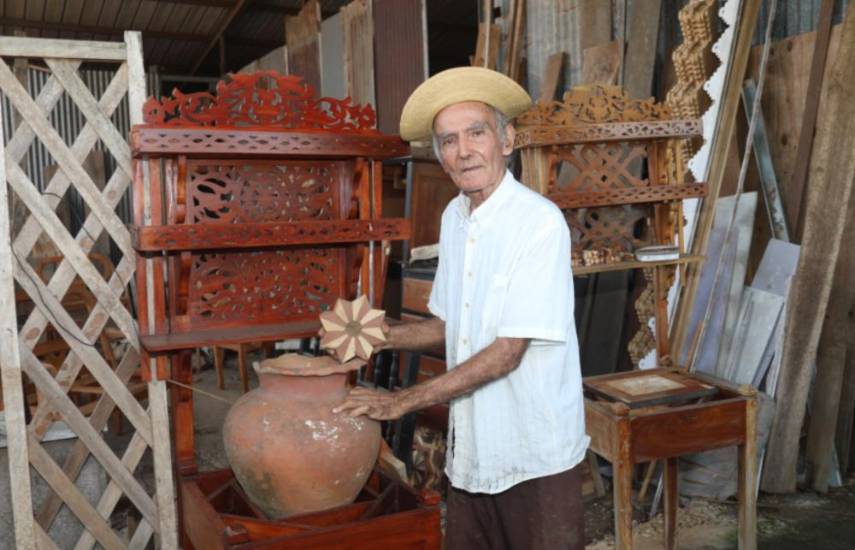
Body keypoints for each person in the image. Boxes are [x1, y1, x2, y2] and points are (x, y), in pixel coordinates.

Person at [333, 67, 589, 550]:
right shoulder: (455, 217)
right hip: (473, 449)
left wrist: (401, 401)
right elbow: (449, 326)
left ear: (506, 139)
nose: (464, 150)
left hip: (533, 453)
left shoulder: (538, 223)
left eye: (477, 132)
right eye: (449, 140)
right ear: (440, 156)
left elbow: (508, 350)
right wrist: (376, 333)